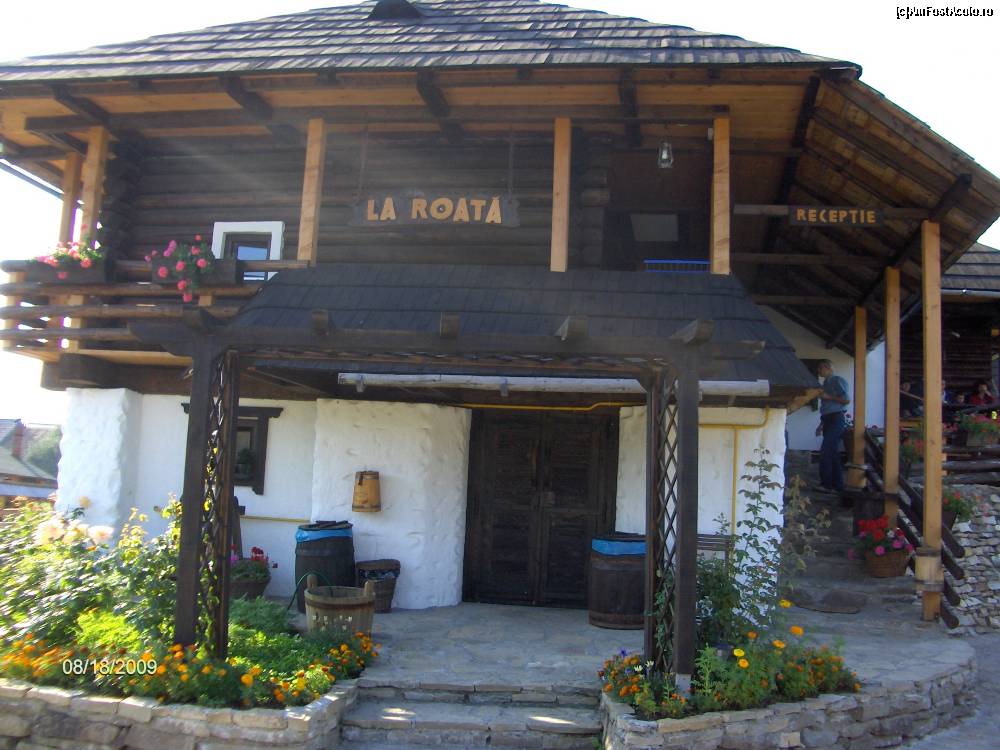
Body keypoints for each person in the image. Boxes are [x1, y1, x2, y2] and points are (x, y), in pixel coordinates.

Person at [815, 359, 851, 493]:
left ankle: (826, 485)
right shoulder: (825, 383)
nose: (819, 371)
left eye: (820, 368)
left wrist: (828, 397)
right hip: (828, 419)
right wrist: (820, 425)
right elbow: (827, 407)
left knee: (826, 450)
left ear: (827, 367)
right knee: (833, 453)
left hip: (836, 419)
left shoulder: (837, 380)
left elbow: (846, 400)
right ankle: (838, 486)